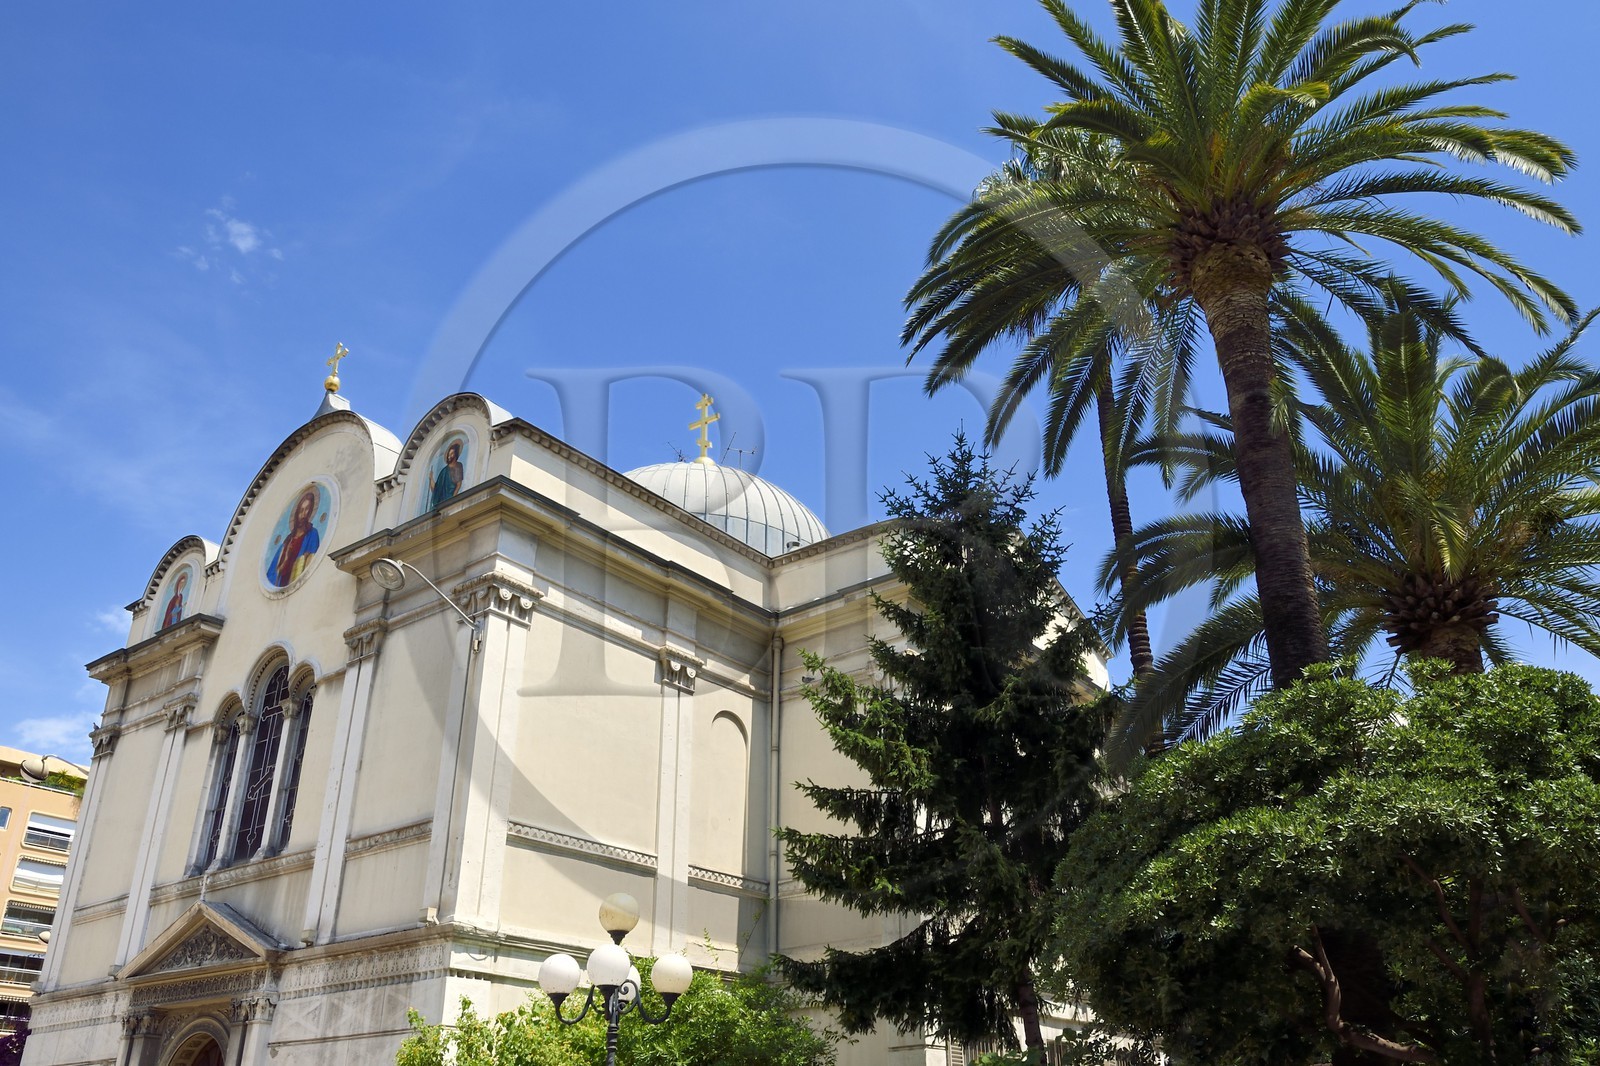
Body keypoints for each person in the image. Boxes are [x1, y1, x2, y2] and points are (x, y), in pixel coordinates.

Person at [269, 488, 322, 588]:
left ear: (310, 512)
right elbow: (271, 575)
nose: (304, 514)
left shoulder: (312, 534)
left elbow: (313, 559)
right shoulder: (285, 544)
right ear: (297, 513)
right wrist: (285, 561)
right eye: (301, 510)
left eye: (307, 509)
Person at [428, 439, 465, 510]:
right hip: (441, 502)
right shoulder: (444, 471)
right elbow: (436, 490)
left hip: (450, 499)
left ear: (456, 454)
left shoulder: (458, 466)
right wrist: (431, 478)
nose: (449, 456)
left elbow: (458, 484)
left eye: (452, 454)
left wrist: (452, 499)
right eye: (449, 454)